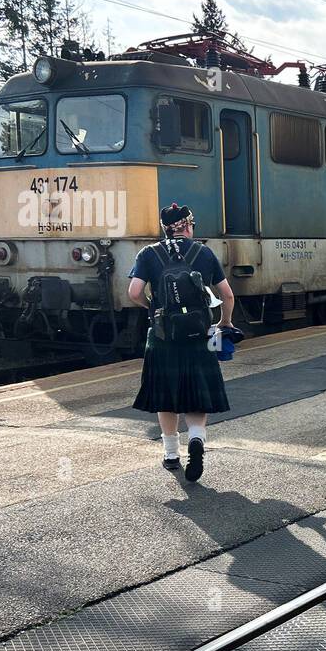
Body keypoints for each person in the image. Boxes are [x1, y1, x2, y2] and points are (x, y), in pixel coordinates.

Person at [128, 203, 235, 482]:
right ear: (187, 226)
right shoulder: (204, 252)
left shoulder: (148, 253)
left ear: (165, 229)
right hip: (200, 335)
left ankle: (171, 454)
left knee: (166, 397)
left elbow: (134, 292)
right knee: (197, 394)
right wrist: (224, 323)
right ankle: (196, 438)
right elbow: (227, 295)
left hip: (163, 336)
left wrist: (152, 307)